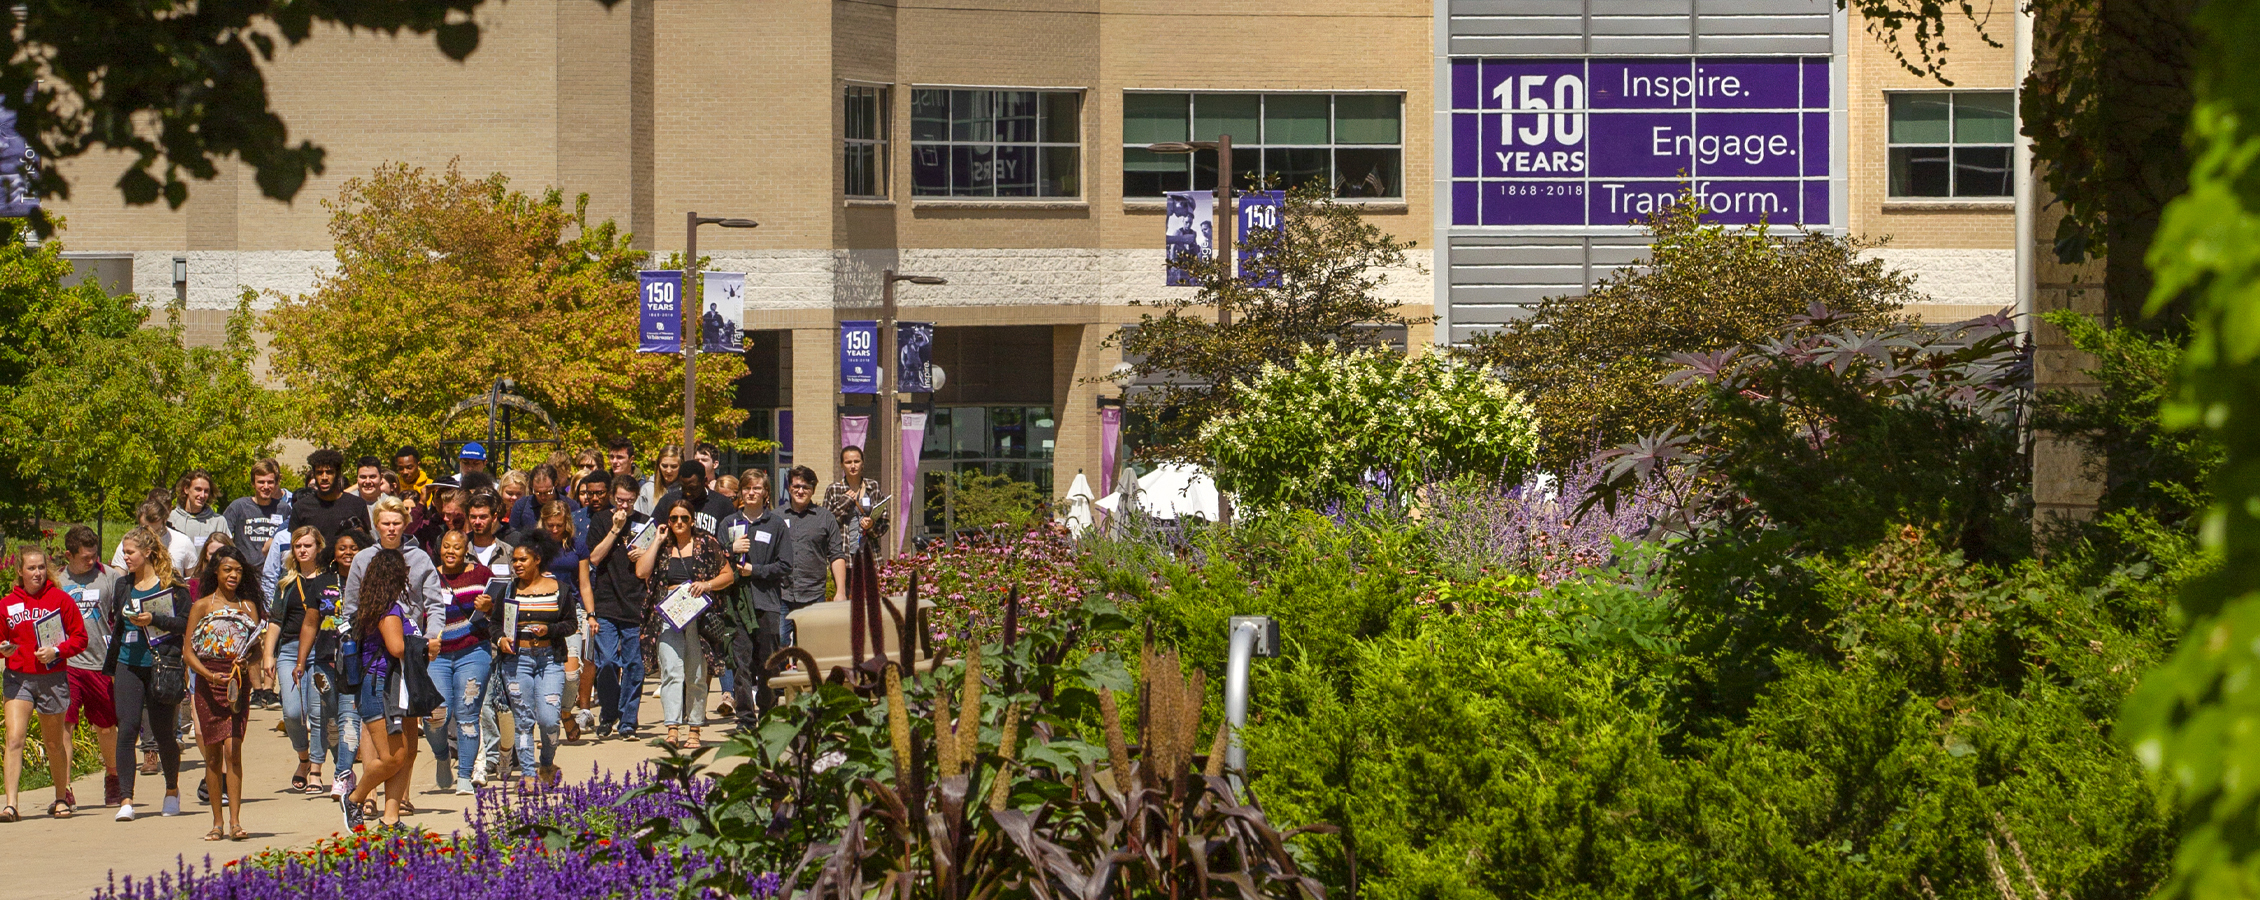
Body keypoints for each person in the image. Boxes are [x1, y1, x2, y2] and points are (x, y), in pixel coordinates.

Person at [634, 497, 734, 749]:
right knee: (670, 672)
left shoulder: (707, 544)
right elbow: (641, 572)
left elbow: (728, 575)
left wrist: (707, 585)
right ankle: (671, 728)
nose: (679, 522)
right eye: (674, 518)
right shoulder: (663, 547)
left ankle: (695, 729)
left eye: (684, 518)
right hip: (669, 613)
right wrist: (657, 539)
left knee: (697, 673)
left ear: (693, 520)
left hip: (698, 614)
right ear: (668, 521)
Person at [107, 527, 190, 821]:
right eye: (124, 552)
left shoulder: (173, 586)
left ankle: (171, 790)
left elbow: (184, 623)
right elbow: (116, 622)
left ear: (148, 553)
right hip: (128, 663)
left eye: (130, 552)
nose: (125, 557)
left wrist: (155, 619)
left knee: (164, 733)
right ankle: (126, 799)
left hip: (161, 666)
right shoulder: (123, 586)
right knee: (127, 729)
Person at [2, 546, 89, 821]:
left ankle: (61, 798)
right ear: (20, 571)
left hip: (52, 678)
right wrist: (3, 649)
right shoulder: (6, 604)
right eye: (31, 568)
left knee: (53, 743)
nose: (37, 573)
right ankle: (11, 805)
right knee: (15, 738)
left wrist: (58, 651)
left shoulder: (61, 600)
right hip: (19, 678)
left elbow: (80, 638)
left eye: (41, 567)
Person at [183, 546, 263, 841]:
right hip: (208, 681)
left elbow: (257, 649)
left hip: (236, 683)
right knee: (213, 756)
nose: (233, 575)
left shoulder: (248, 607)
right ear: (215, 571)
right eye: (228, 570)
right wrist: (207, 675)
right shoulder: (202, 606)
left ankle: (235, 821)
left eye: (238, 571)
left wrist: (248, 661)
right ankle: (216, 821)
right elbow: (188, 653)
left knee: (234, 751)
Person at [341, 549, 420, 831]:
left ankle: (391, 818)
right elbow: (397, 647)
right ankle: (353, 797)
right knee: (391, 757)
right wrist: (427, 647)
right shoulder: (388, 610)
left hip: (399, 688)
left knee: (406, 753)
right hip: (380, 687)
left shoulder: (376, 605)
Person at [501, 531, 578, 791]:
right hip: (517, 661)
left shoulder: (560, 590)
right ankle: (528, 775)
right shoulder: (508, 590)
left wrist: (550, 630)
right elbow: (494, 625)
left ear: (537, 560)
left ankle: (547, 762)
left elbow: (570, 624)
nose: (517, 565)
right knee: (523, 720)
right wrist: (500, 639)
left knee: (548, 719)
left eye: (522, 560)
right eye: (514, 561)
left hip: (550, 660)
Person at [54, 527, 123, 806]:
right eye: (85, 558)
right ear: (69, 555)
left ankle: (113, 775)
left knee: (105, 727)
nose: (92, 562)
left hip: (100, 662)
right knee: (65, 725)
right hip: (67, 663)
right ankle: (65, 787)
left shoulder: (109, 577)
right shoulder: (57, 580)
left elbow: (121, 614)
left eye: (95, 555)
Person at [267, 527, 335, 795]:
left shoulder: (329, 580)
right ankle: (303, 757)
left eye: (308, 545)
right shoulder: (286, 581)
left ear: (319, 546)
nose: (303, 550)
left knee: (318, 713)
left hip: (321, 649)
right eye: (298, 546)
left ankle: (316, 770)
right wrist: (268, 655)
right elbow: (274, 619)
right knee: (293, 713)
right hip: (290, 649)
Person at [720, 470, 791, 727]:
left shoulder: (776, 525)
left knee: (768, 663)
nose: (751, 492)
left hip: (767, 603)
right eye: (747, 488)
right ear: (740, 493)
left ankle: (769, 714)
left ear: (766, 493)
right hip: (737, 603)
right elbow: (715, 561)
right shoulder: (729, 524)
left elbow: (785, 565)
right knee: (741, 665)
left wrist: (756, 570)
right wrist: (730, 550)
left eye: (757, 488)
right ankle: (745, 719)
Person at [426, 531, 494, 795]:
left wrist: (489, 606)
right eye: (446, 546)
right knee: (435, 716)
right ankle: (442, 756)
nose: (450, 551)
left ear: (466, 550)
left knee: (467, 713)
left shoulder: (482, 575)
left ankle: (465, 775)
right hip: (437, 655)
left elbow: (502, 610)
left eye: (456, 547)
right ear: (440, 549)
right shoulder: (430, 575)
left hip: (473, 650)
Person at [585, 475, 650, 740]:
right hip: (607, 603)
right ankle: (609, 713)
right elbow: (595, 558)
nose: (624, 506)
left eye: (629, 501)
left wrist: (645, 554)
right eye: (620, 500)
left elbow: (653, 564)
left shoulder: (646, 524)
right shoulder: (601, 520)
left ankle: (628, 722)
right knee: (608, 661)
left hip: (635, 603)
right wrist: (615, 530)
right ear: (613, 497)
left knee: (634, 664)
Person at [538, 501, 594, 740]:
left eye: (558, 525)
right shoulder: (535, 547)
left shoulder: (577, 547)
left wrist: (591, 614)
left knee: (572, 674)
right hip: (541, 610)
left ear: (567, 523)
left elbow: (584, 584)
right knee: (542, 670)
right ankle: (547, 721)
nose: (553, 530)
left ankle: (564, 711)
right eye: (549, 525)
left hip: (570, 611)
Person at [781, 466, 850, 611]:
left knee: (813, 634)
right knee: (781, 635)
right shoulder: (776, 517)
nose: (800, 491)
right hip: (782, 595)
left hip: (814, 594)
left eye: (806, 487)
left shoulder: (825, 518)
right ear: (789, 488)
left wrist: (840, 592)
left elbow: (836, 555)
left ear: (813, 490)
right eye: (796, 486)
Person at [293, 449, 372, 543]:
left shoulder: (357, 504)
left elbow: (365, 542)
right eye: (319, 473)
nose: (324, 477)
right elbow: (296, 545)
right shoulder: (301, 507)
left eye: (329, 472)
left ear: (338, 474)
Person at [825, 446, 889, 557]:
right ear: (841, 465)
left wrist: (871, 526)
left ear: (862, 464)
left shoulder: (872, 486)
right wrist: (844, 503)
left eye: (857, 461)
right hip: (843, 555)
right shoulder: (833, 489)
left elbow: (884, 521)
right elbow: (826, 525)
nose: (853, 466)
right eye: (848, 462)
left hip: (869, 554)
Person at [225, 459, 289, 564]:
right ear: (253, 483)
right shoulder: (239, 507)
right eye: (261, 482)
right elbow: (223, 537)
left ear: (276, 483)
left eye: (270, 482)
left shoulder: (283, 508)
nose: (266, 487)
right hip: (245, 573)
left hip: (274, 573)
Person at [113, 497, 195, 576]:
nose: (151, 536)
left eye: (156, 531)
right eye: (146, 530)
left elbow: (193, 580)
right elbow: (118, 577)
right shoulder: (128, 545)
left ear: (164, 521)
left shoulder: (183, 542)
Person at [656, 460, 737, 537]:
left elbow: (732, 536)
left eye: (693, 488)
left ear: (704, 481)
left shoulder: (722, 504)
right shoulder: (668, 501)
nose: (688, 492)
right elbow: (651, 532)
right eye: (683, 488)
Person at [170, 471, 226, 558]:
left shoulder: (218, 521)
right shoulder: (171, 518)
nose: (202, 495)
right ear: (186, 489)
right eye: (198, 489)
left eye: (206, 491)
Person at [636, 446, 682, 517]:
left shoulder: (685, 490)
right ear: (658, 465)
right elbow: (639, 522)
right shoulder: (647, 490)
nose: (669, 470)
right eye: (664, 466)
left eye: (674, 466)